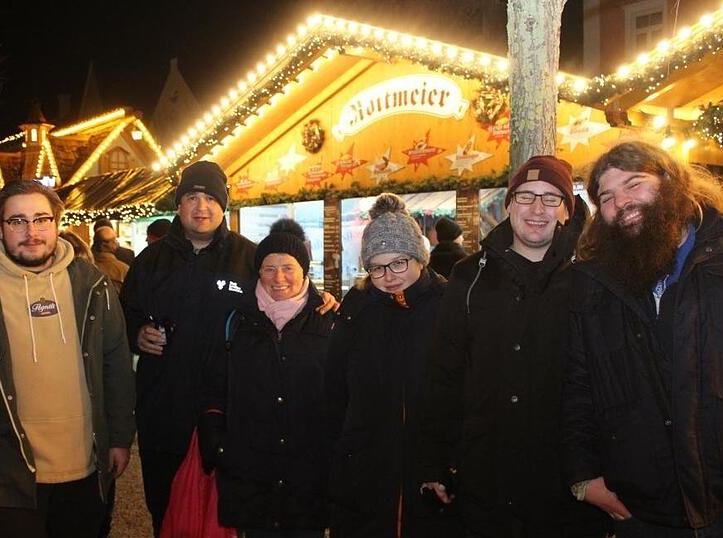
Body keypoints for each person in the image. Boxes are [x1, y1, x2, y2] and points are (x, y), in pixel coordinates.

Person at [121, 161, 336, 536]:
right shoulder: (149, 262)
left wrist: (324, 302)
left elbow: (287, 293)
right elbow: (124, 316)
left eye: (210, 198)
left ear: (223, 205)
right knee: (168, 511)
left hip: (234, 416)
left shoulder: (247, 257)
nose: (201, 207)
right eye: (192, 197)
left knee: (231, 514)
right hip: (165, 411)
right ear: (179, 204)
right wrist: (136, 332)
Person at [564, 141, 723, 536]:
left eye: (635, 184)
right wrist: (584, 477)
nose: (623, 202)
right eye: (608, 197)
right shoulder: (594, 283)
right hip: (642, 511)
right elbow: (576, 384)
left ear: (671, 181)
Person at [0, 180, 135, 537]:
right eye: (17, 221)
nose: (31, 232)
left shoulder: (92, 283)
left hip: (86, 463)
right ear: (0, 226)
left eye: (41, 219)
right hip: (8, 467)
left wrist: (120, 437)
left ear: (57, 223)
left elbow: (116, 364)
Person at [431, 156, 609, 537]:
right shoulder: (468, 276)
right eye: (526, 196)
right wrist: (436, 461)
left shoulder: (591, 277)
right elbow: (445, 374)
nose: (537, 209)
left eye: (550, 198)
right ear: (509, 203)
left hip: (568, 481)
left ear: (565, 209)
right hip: (486, 478)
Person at [325, 193, 459, 537]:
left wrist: (449, 461)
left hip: (429, 462)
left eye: (399, 262)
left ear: (420, 257)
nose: (389, 276)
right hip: (367, 460)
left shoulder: (448, 305)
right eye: (378, 267)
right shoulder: (357, 308)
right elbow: (335, 385)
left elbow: (461, 385)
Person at [199, 219, 334, 538]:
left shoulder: (329, 322)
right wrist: (217, 445)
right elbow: (214, 386)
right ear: (257, 272)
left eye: (288, 267)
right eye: (269, 268)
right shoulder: (238, 321)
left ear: (304, 271)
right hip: (250, 471)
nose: (279, 278)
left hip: (309, 473)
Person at [92, 226, 130, 293]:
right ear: (106, 244)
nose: (116, 243)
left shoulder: (85, 266)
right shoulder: (123, 269)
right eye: (114, 240)